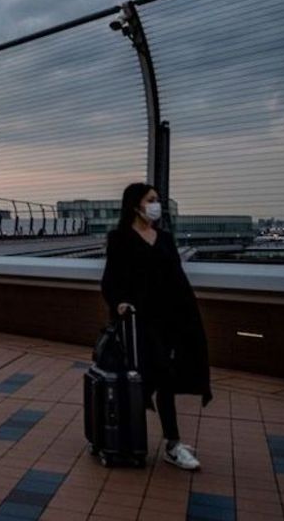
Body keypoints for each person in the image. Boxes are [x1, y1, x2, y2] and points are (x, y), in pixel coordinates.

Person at [100, 182, 212, 471]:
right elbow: (111, 280)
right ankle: (169, 444)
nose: (156, 204)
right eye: (151, 199)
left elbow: (176, 279)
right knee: (159, 376)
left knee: (161, 379)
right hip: (139, 323)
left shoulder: (163, 238)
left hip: (170, 321)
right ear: (136, 204)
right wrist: (119, 303)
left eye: (157, 200)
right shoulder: (120, 238)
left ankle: (132, 438)